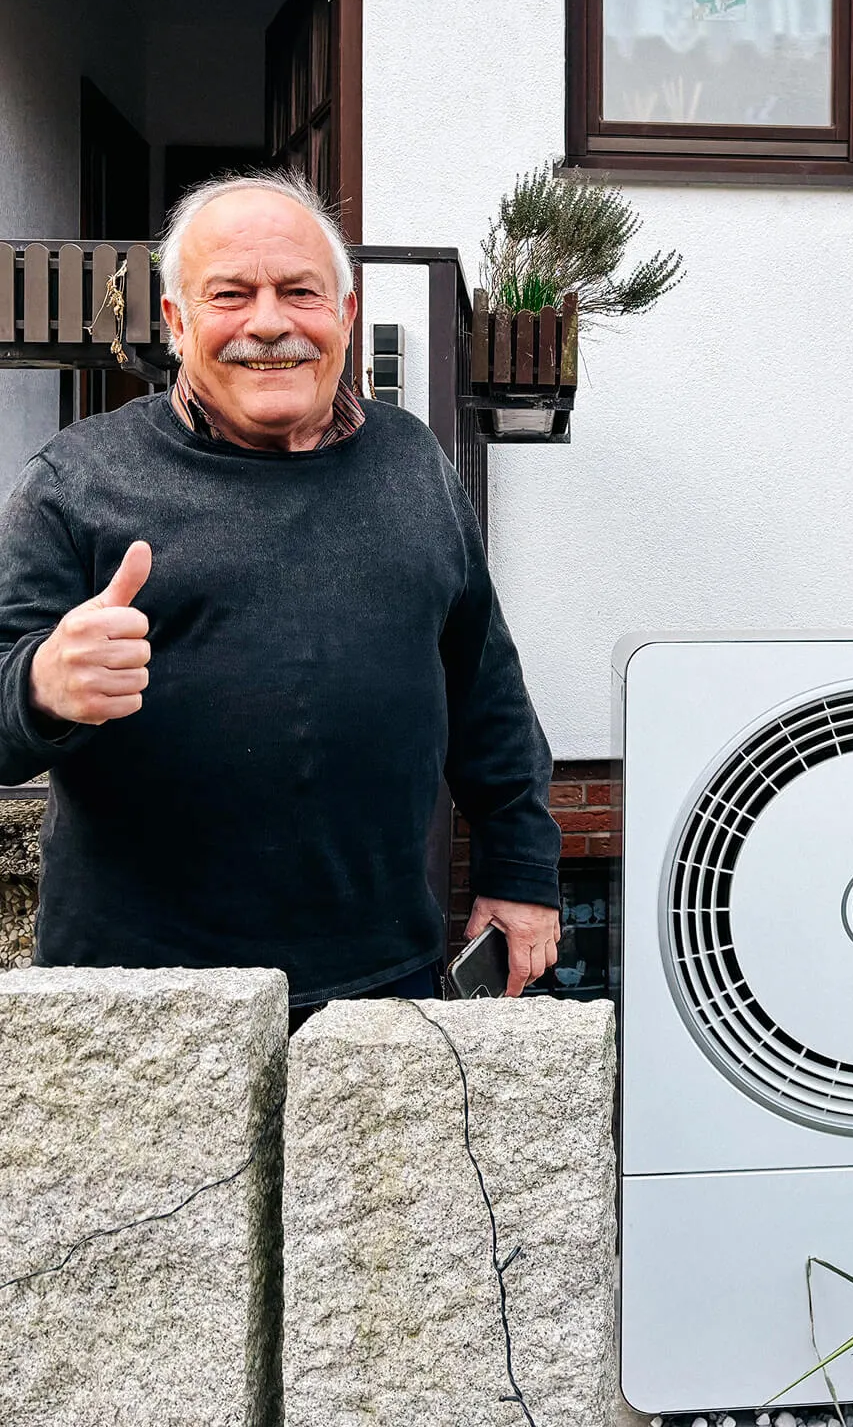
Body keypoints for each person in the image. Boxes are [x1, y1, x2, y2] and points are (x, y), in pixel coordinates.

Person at [0, 172, 561, 1011]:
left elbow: (486, 690)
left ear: (343, 311)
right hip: (141, 997)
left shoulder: (414, 464)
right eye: (231, 294)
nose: (269, 323)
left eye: (299, 291)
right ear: (177, 322)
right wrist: (40, 688)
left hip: (380, 979)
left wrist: (520, 869)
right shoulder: (77, 480)